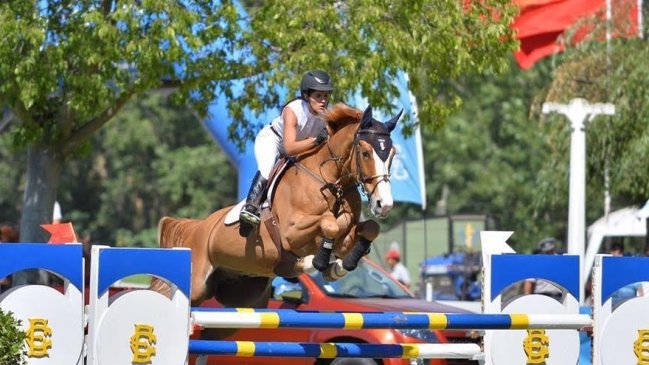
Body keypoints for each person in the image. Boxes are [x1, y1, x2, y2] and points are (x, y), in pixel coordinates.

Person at [239, 70, 333, 233]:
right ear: (306, 95)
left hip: (301, 147)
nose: (323, 101)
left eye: (326, 96)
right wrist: (316, 140)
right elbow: (289, 148)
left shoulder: (326, 115)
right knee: (267, 169)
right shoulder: (293, 110)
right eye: (318, 96)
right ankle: (250, 207)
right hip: (273, 141)